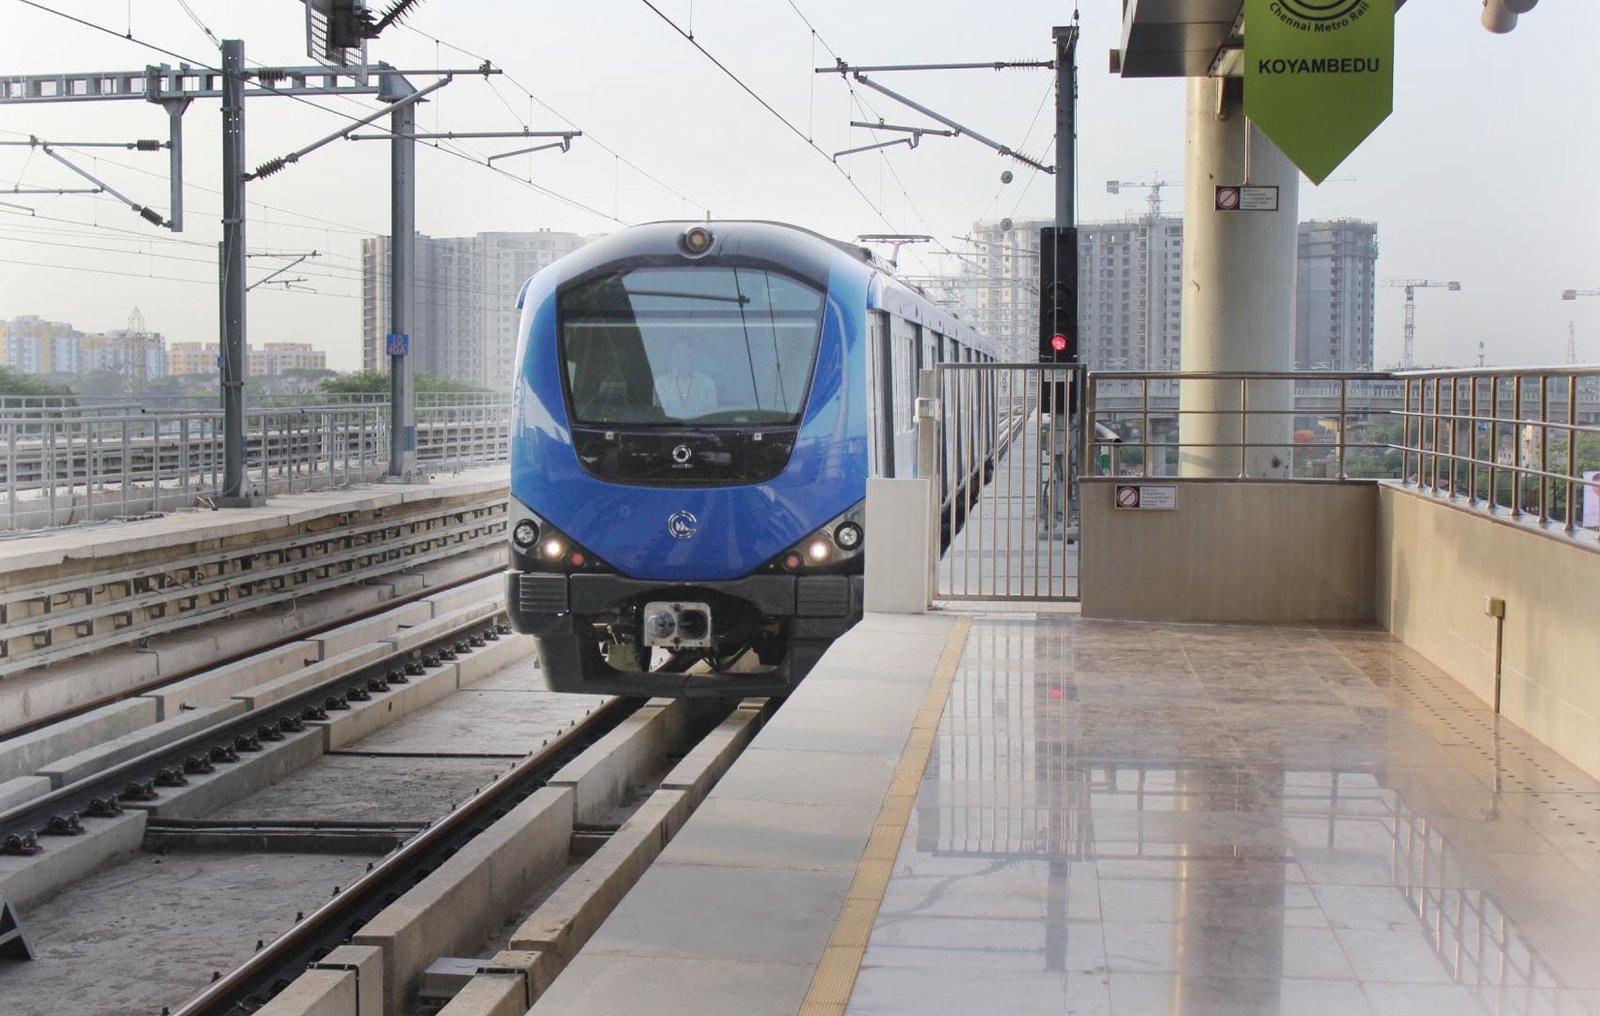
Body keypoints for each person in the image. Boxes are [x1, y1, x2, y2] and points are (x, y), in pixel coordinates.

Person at [655, 338, 717, 418]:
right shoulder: (661, 382)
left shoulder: (707, 382)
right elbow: (658, 416)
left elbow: (712, 416)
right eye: (677, 352)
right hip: (669, 429)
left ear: (692, 354)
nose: (682, 356)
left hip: (700, 429)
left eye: (684, 352)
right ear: (672, 355)